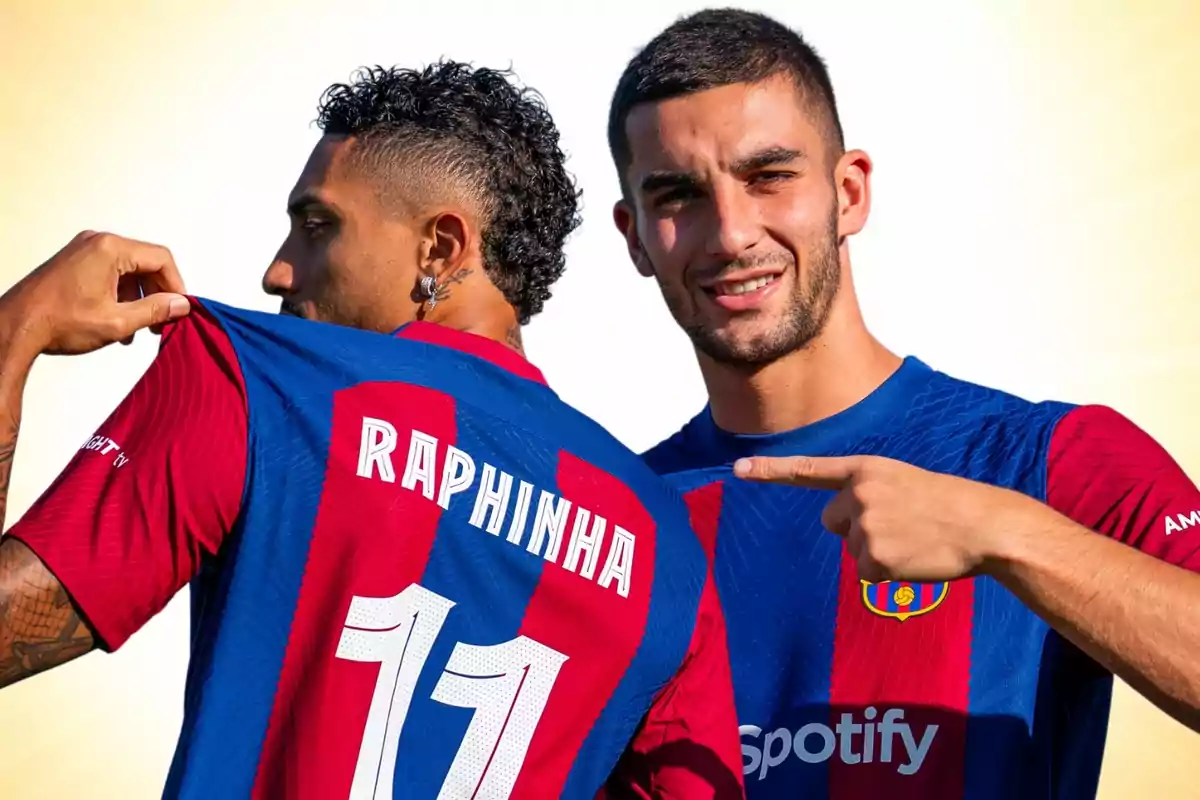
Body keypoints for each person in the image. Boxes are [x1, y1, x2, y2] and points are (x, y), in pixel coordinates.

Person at [0, 62, 743, 799]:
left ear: (440, 249)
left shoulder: (255, 380)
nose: (277, 271)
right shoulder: (667, 549)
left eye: (317, 226)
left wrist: (15, 328)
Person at [603, 8, 1200, 799]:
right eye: (678, 195)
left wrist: (1006, 535)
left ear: (848, 194)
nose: (730, 232)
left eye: (768, 176)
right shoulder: (614, 521)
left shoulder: (1047, 458)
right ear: (636, 237)